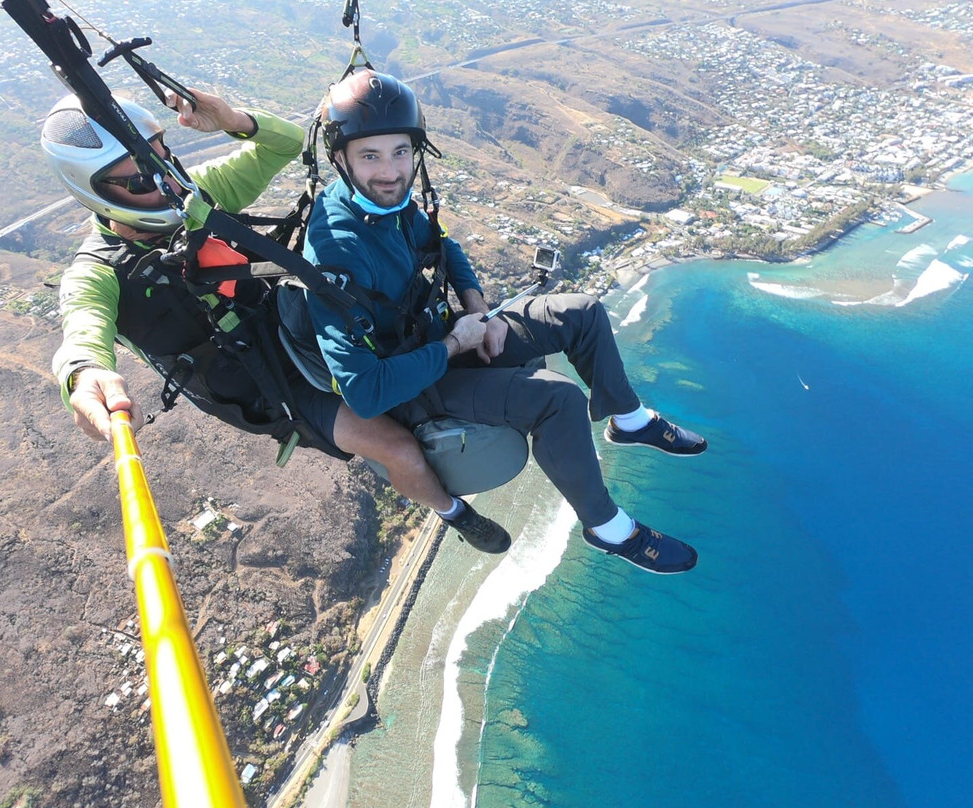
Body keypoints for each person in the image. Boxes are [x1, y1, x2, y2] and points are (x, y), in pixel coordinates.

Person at [42, 87, 510, 553]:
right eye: (142, 181)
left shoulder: (196, 195)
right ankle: (456, 513)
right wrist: (84, 377)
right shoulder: (99, 274)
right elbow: (82, 334)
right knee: (398, 447)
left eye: (163, 158)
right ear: (95, 191)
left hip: (296, 321)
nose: (164, 181)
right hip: (272, 384)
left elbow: (285, 145)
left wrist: (233, 119)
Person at [301, 70, 709, 574]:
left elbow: (443, 245)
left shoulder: (391, 204)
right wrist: (454, 344)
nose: (390, 171)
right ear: (340, 159)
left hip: (448, 335)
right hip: (415, 383)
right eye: (370, 156)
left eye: (400, 152)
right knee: (559, 401)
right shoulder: (335, 252)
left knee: (582, 312)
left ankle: (629, 421)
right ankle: (608, 528)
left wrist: (477, 308)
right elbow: (363, 393)